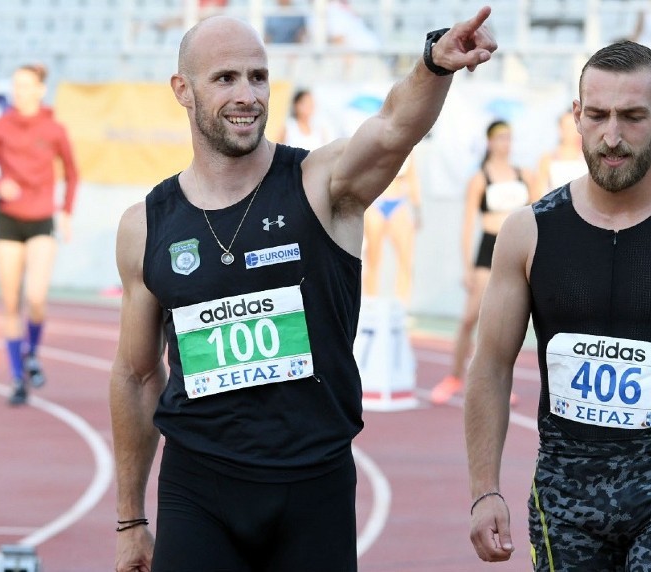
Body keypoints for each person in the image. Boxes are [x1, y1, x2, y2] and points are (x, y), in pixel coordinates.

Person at [110, 10, 496, 572]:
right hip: (197, 492)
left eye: (258, 77)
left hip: (314, 488)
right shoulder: (145, 226)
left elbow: (393, 127)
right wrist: (129, 520)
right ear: (182, 90)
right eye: (225, 78)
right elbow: (137, 375)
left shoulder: (321, 184)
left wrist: (433, 64)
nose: (247, 95)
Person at [465, 40, 651, 570]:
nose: (612, 136)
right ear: (576, 115)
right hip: (565, 506)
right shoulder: (528, 232)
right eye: (597, 115)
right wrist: (484, 491)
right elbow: (491, 366)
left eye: (632, 116)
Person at [0, 63, 79, 406]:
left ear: (40, 90)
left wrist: (66, 212)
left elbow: (72, 173)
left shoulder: (54, 129)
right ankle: (17, 378)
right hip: (8, 221)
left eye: (26, 85)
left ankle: (31, 352)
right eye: (16, 85)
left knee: (35, 297)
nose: (19, 91)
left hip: (41, 220)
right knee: (10, 303)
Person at [430, 120, 535, 405]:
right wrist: (467, 267)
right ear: (489, 142)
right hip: (488, 248)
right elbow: (467, 225)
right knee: (469, 318)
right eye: (500, 137)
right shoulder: (480, 178)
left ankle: (500, 383)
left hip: (515, 248)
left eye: (509, 137)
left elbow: (538, 214)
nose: (505, 143)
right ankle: (454, 376)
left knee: (505, 323)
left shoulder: (524, 175)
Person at [362, 153, 422, 309]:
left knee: (405, 259)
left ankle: (401, 308)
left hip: (398, 200)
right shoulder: (375, 144)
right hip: (376, 202)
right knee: (373, 259)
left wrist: (417, 208)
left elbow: (412, 176)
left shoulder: (407, 148)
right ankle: (370, 306)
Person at [535, 109, 588, 197]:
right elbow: (538, 194)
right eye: (566, 127)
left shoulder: (588, 158)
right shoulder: (548, 159)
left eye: (573, 127)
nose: (570, 131)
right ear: (560, 129)